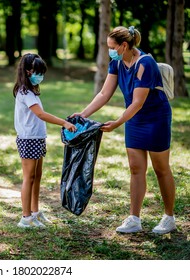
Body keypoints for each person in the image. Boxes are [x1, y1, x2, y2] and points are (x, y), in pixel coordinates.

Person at [72, 26, 176, 234]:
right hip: (134, 121)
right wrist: (83, 114)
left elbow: (138, 102)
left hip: (155, 119)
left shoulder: (145, 63)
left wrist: (117, 122)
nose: (109, 51)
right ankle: (134, 218)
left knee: (160, 169)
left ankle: (169, 217)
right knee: (136, 168)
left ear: (124, 45)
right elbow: (104, 94)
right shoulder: (117, 62)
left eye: (112, 47)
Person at [13, 53, 76, 228]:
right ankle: (25, 218)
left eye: (42, 72)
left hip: (37, 138)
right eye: (37, 72)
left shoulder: (31, 91)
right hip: (28, 140)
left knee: (37, 176)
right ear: (27, 71)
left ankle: (35, 212)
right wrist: (63, 122)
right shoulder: (24, 92)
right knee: (28, 177)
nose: (40, 76)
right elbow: (40, 114)